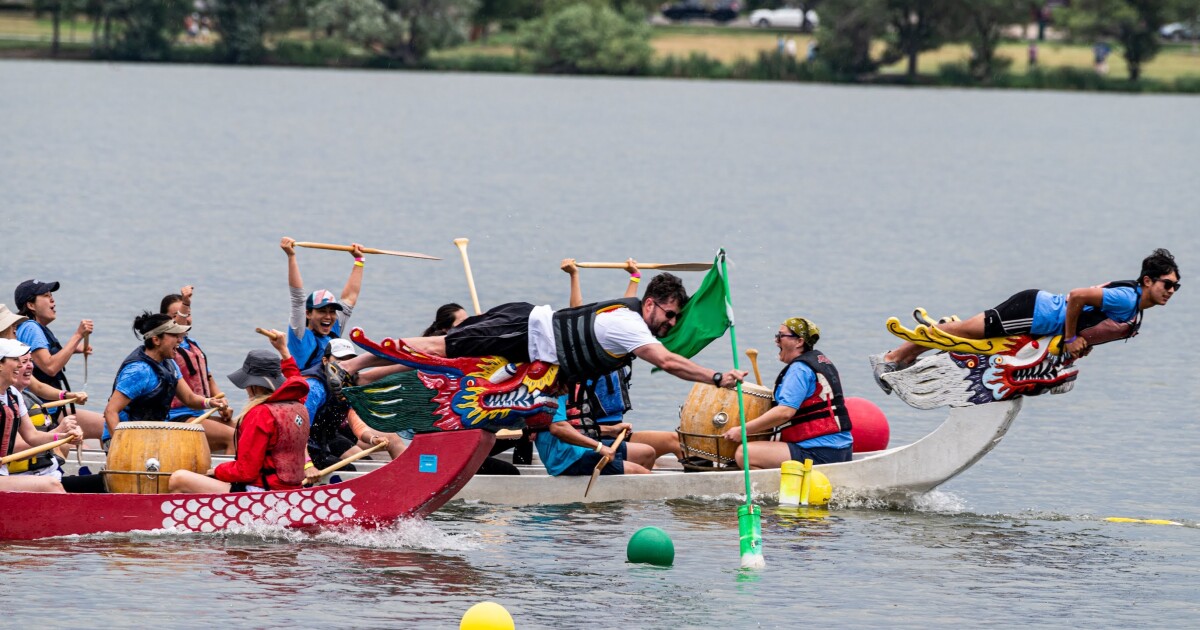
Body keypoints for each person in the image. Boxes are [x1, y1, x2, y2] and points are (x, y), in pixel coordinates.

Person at [871, 248, 1181, 394]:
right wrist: (1072, 338)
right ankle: (892, 357)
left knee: (968, 334)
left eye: (1175, 287)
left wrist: (1079, 343)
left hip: (1041, 322)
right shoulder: (1127, 299)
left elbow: (1092, 316)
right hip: (1035, 311)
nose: (1170, 291)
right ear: (1147, 281)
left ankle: (907, 358)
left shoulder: (1135, 311)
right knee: (966, 330)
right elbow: (1076, 297)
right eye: (1166, 284)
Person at [398, 273, 747, 395]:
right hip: (522, 329)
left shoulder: (630, 323)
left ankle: (367, 371)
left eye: (675, 320)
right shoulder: (629, 325)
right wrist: (715, 377)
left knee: (448, 358)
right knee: (441, 347)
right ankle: (361, 359)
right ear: (651, 303)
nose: (670, 324)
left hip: (527, 346)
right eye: (669, 315)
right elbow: (667, 362)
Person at [559, 258, 681, 462]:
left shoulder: (623, 346)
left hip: (619, 432)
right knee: (654, 454)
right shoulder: (587, 358)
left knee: (675, 441)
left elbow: (628, 312)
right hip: (595, 434)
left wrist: (635, 277)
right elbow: (575, 313)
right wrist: (574, 275)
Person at [169, 330, 314, 493]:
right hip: (290, 491)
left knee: (178, 478)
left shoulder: (260, 414)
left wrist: (216, 470)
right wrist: (284, 352)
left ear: (253, 385)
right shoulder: (297, 405)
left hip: (259, 494)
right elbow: (298, 382)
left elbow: (246, 472)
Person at [721, 318, 852, 469]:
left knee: (744, 453)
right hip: (841, 450)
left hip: (819, 452)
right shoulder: (821, 362)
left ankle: (772, 491)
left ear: (799, 341)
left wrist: (743, 430)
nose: (776, 340)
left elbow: (784, 412)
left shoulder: (799, 369)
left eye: (780, 336)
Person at [102, 312, 229, 447]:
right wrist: (121, 447)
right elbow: (110, 411)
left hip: (149, 435)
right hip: (120, 438)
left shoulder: (170, 364)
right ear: (156, 340)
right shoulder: (138, 371)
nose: (180, 340)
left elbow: (189, 399)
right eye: (174, 335)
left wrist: (211, 402)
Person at [13, 279, 104, 439]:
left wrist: (74, 350)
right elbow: (50, 366)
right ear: (31, 305)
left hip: (51, 408)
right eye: (46, 296)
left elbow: (42, 357)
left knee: (102, 427)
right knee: (108, 428)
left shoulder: (31, 327)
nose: (52, 299)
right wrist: (77, 336)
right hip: (41, 411)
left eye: (52, 295)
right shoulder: (31, 328)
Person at [0, 339, 84, 493]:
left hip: (2, 473)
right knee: (51, 486)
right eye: (15, 360)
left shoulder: (13, 396)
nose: (20, 365)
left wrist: (64, 436)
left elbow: (32, 436)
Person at [161, 287, 234, 453]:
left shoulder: (193, 344)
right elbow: (176, 328)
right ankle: (226, 478)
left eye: (188, 314)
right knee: (233, 436)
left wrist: (222, 402)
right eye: (177, 315)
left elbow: (208, 378)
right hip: (177, 417)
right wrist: (185, 303)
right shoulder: (169, 348)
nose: (186, 319)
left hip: (200, 413)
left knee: (245, 430)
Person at [280, 237, 365, 370]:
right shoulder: (300, 336)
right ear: (308, 313)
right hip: (308, 387)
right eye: (321, 311)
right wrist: (291, 256)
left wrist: (359, 261)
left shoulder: (334, 330)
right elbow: (297, 299)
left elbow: (349, 298)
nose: (328, 316)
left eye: (332, 311)